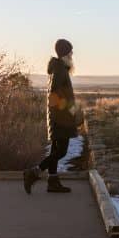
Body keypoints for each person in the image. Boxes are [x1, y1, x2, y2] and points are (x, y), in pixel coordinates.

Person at [24, 38, 78, 194]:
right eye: (70, 51)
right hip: (61, 118)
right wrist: (69, 109)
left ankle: (53, 183)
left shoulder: (59, 68)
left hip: (58, 117)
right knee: (61, 152)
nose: (72, 54)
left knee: (55, 151)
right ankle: (33, 173)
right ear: (65, 53)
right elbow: (55, 95)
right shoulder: (60, 69)